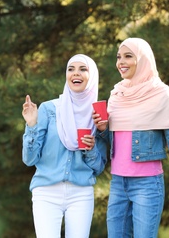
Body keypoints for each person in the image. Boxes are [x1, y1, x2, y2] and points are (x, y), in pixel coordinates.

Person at [92, 38, 169, 238]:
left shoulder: (162, 95)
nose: (121, 62)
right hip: (118, 183)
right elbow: (115, 142)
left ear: (142, 59)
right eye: (118, 57)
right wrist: (103, 128)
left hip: (147, 185)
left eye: (128, 56)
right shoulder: (117, 95)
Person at [22, 54, 107, 238]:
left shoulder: (98, 116)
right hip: (46, 191)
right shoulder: (49, 109)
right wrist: (31, 126)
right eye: (71, 69)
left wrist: (91, 148)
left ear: (92, 76)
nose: (76, 73)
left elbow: (99, 167)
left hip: (81, 193)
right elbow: (29, 159)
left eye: (83, 69)